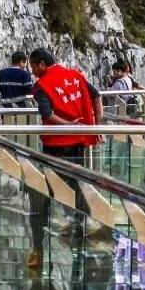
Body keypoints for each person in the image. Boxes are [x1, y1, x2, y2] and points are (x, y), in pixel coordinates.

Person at [26, 48, 103, 269]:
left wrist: (67, 125)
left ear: (41, 64)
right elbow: (97, 97)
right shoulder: (75, 76)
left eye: (33, 67)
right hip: (78, 143)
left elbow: (47, 114)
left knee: (47, 190)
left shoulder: (43, 85)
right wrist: (95, 127)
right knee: (78, 184)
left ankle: (39, 245)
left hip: (55, 146)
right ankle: (81, 229)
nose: (33, 72)